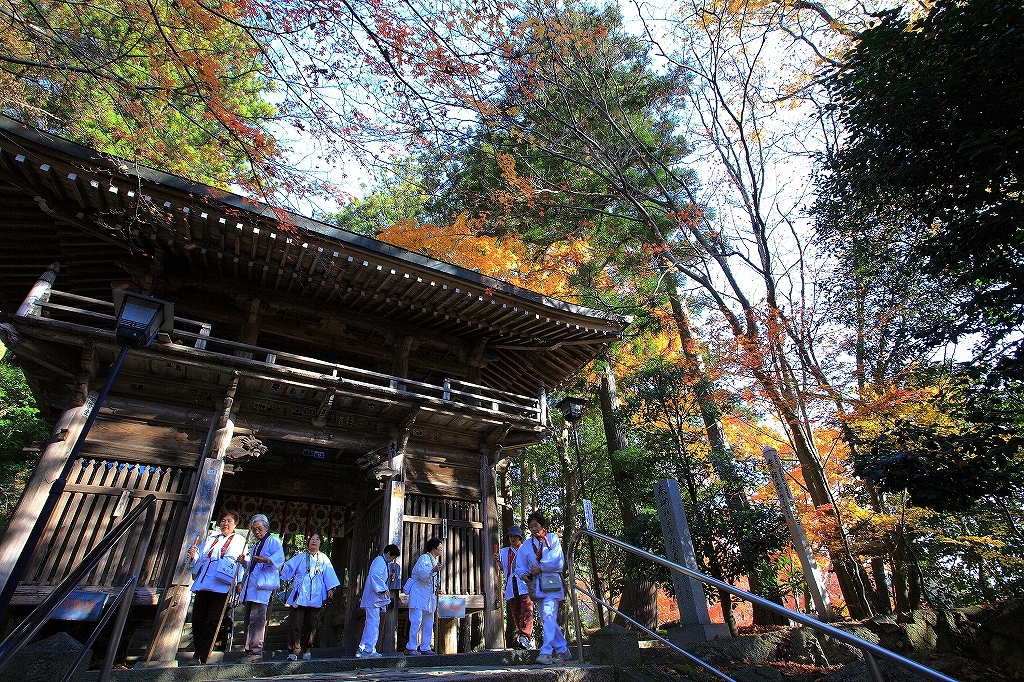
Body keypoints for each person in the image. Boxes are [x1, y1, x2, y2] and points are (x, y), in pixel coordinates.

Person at [186, 509, 247, 665]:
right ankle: (199, 651)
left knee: (214, 620)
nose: (226, 524)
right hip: (205, 582)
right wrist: (194, 556)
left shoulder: (240, 540)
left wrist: (239, 582)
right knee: (198, 619)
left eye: (229, 521)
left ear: (236, 523)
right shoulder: (210, 538)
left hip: (222, 583)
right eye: (223, 521)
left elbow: (241, 563)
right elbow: (199, 558)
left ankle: (200, 655)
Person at [518, 511, 570, 665]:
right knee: (546, 618)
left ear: (542, 525)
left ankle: (546, 652)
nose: (534, 528)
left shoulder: (552, 538)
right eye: (531, 526)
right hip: (537, 586)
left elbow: (557, 559)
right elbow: (520, 565)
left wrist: (540, 566)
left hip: (552, 583)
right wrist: (523, 574)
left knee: (548, 615)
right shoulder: (526, 545)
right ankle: (562, 650)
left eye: (536, 525)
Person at [280, 532, 340, 661]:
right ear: (308, 542)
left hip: (316, 594)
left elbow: (329, 575)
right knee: (295, 623)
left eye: (317, 539)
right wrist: (280, 568)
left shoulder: (324, 558)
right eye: (312, 539)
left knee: (311, 624)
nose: (314, 541)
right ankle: (293, 651)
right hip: (300, 593)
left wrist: (330, 589)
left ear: (320, 543)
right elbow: (288, 568)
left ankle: (307, 649)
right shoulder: (300, 557)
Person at [238, 514, 285, 664]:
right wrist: (245, 562)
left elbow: (280, 558)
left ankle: (256, 651)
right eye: (254, 529)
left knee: (258, 618)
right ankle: (248, 650)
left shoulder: (273, 541)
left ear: (266, 527)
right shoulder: (256, 546)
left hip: (262, 586)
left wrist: (267, 560)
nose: (257, 532)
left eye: (259, 528)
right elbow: (252, 566)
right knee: (249, 618)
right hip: (252, 584)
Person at [357, 543, 401, 658]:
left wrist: (387, 577)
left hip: (373, 598)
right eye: (393, 557)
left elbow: (379, 576)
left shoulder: (382, 562)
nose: (393, 560)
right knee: (373, 622)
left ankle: (363, 647)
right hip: (373, 598)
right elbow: (375, 576)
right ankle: (369, 649)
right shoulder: (380, 561)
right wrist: (383, 589)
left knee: (370, 622)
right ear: (388, 553)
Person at [495, 525, 533, 649]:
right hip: (512, 583)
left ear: (519, 537)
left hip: (524, 582)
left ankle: (525, 636)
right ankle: (523, 636)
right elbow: (501, 567)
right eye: (510, 536)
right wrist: (498, 562)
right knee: (516, 611)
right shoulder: (505, 551)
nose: (512, 538)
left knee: (527, 608)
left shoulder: (526, 549)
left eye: (515, 536)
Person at [404, 537, 442, 656]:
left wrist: (436, 589)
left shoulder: (434, 561)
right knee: (416, 620)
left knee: (429, 621)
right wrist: (433, 570)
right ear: (433, 548)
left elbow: (433, 579)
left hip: (428, 595)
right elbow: (422, 575)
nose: (441, 550)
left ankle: (425, 646)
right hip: (419, 593)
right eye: (440, 547)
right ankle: (411, 646)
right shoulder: (424, 558)